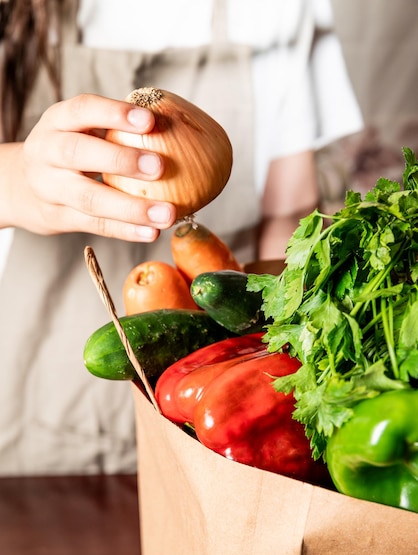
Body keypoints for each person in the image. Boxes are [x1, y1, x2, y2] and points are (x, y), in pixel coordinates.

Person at [0, 0, 363, 475]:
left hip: (221, 429)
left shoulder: (282, 7)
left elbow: (288, 214)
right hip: (40, 444)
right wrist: (17, 180)